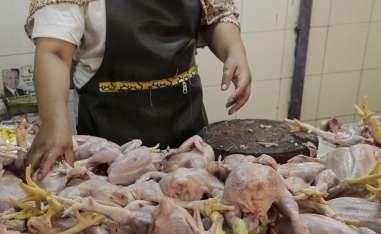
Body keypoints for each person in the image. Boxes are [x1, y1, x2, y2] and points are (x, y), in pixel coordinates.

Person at [24, 0, 252, 179]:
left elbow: (216, 14)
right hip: (111, 142)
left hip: (186, 127)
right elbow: (55, 51)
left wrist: (234, 48)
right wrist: (54, 122)